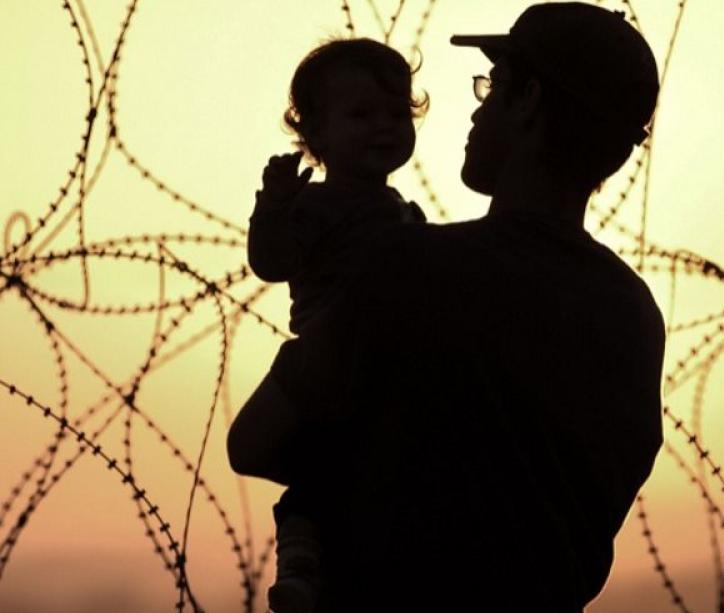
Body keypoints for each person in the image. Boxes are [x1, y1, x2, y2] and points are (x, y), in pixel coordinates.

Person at [228, 3, 665, 611]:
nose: (479, 106)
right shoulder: (631, 314)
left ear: (528, 101)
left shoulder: (406, 269)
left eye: (493, 86)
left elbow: (251, 444)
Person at [244, 37, 427, 613]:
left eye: (397, 113)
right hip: (327, 359)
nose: (384, 127)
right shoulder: (317, 206)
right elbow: (272, 263)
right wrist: (272, 209)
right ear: (315, 135)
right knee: (322, 469)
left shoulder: (405, 212)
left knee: (359, 465)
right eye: (362, 114)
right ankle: (300, 559)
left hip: (388, 363)